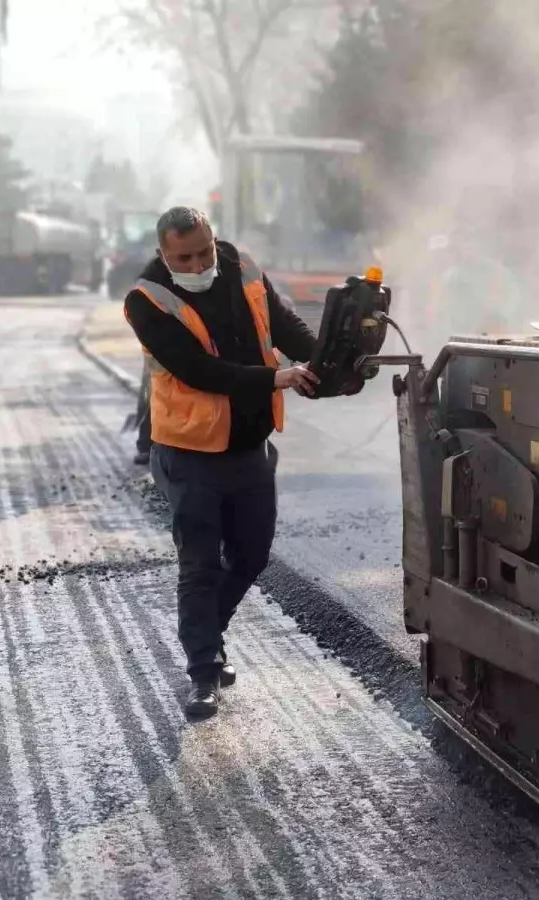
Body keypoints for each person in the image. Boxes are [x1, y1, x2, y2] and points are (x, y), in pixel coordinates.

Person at [124, 206, 362, 719]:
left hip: (249, 446)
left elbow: (285, 327)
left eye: (204, 252)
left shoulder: (243, 268)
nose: (197, 264)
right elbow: (198, 370)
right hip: (190, 454)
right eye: (183, 258)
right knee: (201, 567)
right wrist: (276, 378)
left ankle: (209, 635)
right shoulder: (145, 300)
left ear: (214, 238)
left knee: (252, 555)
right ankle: (203, 672)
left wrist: (330, 365)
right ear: (163, 255)